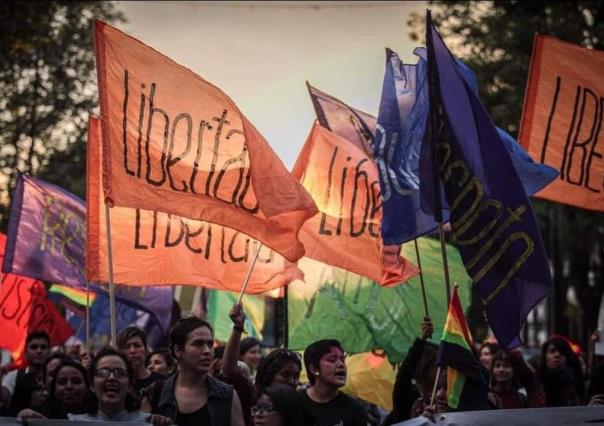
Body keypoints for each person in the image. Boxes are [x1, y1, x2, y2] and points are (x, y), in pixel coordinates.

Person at [141, 316, 245, 426]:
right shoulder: (155, 394)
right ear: (178, 351)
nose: (207, 351)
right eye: (198, 344)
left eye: (210, 344)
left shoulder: (227, 395)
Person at [68, 346, 158, 422]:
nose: (112, 378)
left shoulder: (147, 422)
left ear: (130, 385)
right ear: (92, 385)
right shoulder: (74, 422)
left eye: (120, 373)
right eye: (103, 372)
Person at [300, 339, 369, 426]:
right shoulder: (295, 404)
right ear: (314, 369)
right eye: (332, 360)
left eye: (342, 360)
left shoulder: (354, 409)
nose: (341, 365)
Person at [383, 317, 436, 425]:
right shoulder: (406, 396)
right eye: (435, 364)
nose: (440, 368)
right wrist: (422, 339)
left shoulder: (442, 398)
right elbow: (403, 376)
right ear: (423, 369)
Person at [18, 360, 92, 420]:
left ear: (87, 386)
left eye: (76, 381)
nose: (69, 386)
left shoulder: (99, 413)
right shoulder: (37, 413)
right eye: (62, 382)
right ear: (54, 388)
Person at [0, 331, 51, 416]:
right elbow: (3, 396)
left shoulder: (57, 377)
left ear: (49, 352)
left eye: (43, 347)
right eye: (34, 347)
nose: (39, 351)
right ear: (25, 353)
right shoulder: (14, 376)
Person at [539, 336, 585, 406]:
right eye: (552, 351)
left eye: (562, 352)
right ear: (545, 356)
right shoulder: (537, 384)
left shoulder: (575, 383)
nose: (557, 355)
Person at [117, 327, 166, 393]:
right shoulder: (116, 382)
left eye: (137, 345)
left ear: (145, 349)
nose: (132, 351)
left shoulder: (161, 382)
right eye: (127, 347)